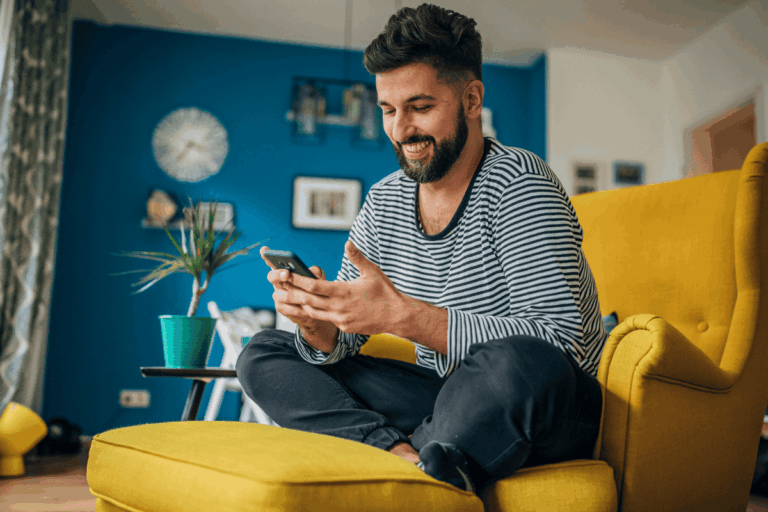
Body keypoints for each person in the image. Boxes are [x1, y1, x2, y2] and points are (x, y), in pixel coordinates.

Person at [236, 3, 607, 494]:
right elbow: (347, 337)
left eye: (420, 107)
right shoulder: (385, 199)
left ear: (472, 99)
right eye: (388, 110)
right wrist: (319, 325)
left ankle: (428, 455)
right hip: (447, 396)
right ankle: (406, 457)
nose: (400, 129)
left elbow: (561, 345)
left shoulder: (521, 183)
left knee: (516, 360)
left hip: (544, 400)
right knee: (264, 352)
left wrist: (404, 317)